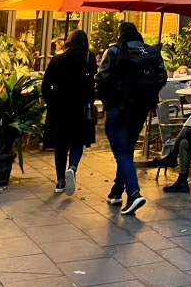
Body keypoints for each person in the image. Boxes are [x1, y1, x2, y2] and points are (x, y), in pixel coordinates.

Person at [96, 21, 166, 216]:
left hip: (118, 109)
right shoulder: (149, 52)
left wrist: (107, 102)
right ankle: (116, 192)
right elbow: (162, 77)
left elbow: (102, 78)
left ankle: (134, 193)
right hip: (141, 110)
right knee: (126, 150)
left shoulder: (114, 51)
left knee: (121, 152)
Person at [42, 29, 97, 196]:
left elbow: (46, 86)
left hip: (58, 108)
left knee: (61, 145)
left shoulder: (57, 59)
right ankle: (72, 167)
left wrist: (51, 101)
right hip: (80, 107)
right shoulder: (89, 58)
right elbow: (92, 82)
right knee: (77, 142)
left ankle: (60, 181)